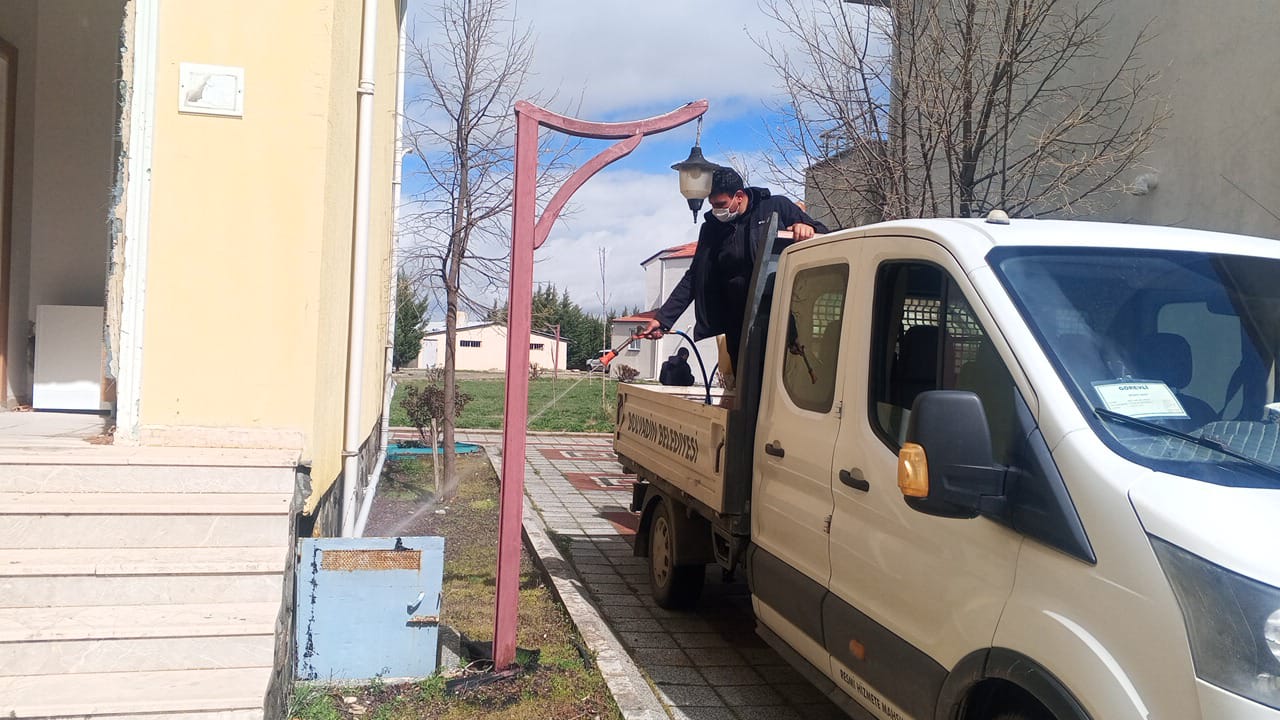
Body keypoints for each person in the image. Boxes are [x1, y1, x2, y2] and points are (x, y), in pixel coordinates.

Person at [641, 166, 828, 368]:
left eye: (721, 204)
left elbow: (824, 236)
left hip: (777, 315)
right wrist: (663, 319)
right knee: (746, 385)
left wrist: (807, 228)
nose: (716, 210)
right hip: (736, 322)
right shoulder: (712, 228)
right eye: (712, 205)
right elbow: (695, 277)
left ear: (739, 196)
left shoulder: (776, 207)